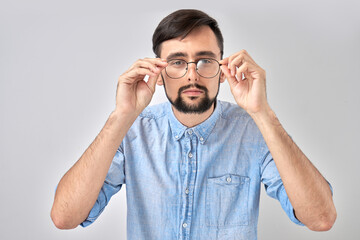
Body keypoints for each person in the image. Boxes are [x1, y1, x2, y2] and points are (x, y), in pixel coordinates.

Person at [50, 9, 337, 239]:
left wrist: (263, 114)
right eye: (177, 62)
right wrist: (120, 116)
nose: (192, 76)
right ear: (158, 73)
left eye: (205, 61)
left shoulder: (254, 131)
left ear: (223, 71)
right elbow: (65, 217)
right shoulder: (132, 131)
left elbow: (321, 219)